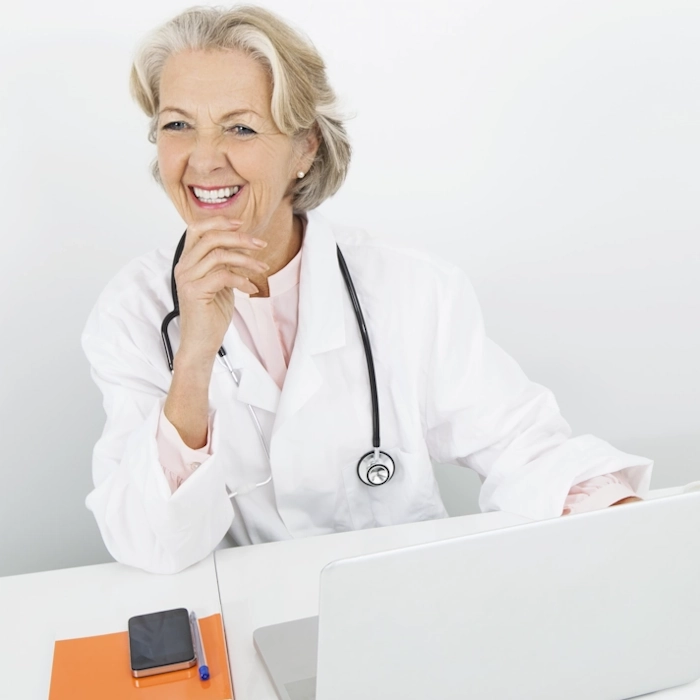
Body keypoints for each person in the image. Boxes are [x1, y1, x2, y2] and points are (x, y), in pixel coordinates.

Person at [82, 5, 650, 575]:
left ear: (305, 148)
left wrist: (622, 520)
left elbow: (523, 445)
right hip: (235, 628)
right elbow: (153, 544)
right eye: (177, 125)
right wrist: (195, 357)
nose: (203, 160)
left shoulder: (410, 286)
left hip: (400, 611)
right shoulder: (133, 311)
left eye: (241, 127)